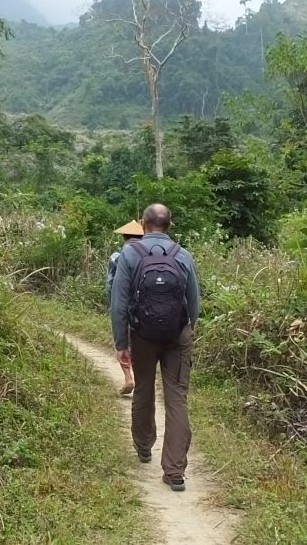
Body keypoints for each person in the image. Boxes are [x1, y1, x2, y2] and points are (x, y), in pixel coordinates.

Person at [109, 203, 200, 492]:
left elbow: (119, 302)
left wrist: (121, 343)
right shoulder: (183, 255)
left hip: (143, 335)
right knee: (177, 398)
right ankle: (174, 471)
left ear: (142, 224)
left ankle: (144, 446)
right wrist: (187, 331)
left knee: (144, 389)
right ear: (169, 226)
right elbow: (194, 303)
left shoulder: (129, 253)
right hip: (177, 335)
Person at [107, 219, 144, 396]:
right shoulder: (148, 254)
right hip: (143, 310)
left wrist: (112, 306)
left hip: (122, 306)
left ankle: (128, 377)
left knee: (122, 345)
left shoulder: (116, 256)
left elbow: (110, 285)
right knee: (138, 344)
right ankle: (140, 377)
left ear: (124, 236)